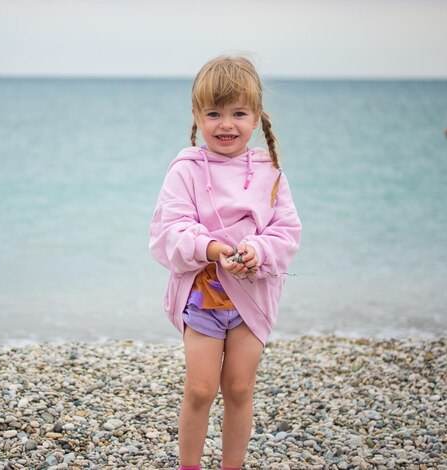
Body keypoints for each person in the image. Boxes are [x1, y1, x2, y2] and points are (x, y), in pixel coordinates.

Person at [149, 56, 302, 470]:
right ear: (197, 116)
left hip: (251, 299)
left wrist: (258, 251)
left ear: (256, 117)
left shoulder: (269, 172)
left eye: (238, 113)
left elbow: (286, 232)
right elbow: (171, 232)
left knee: (238, 388)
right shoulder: (186, 170)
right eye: (214, 113)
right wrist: (216, 250)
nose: (226, 124)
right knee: (200, 389)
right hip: (203, 298)